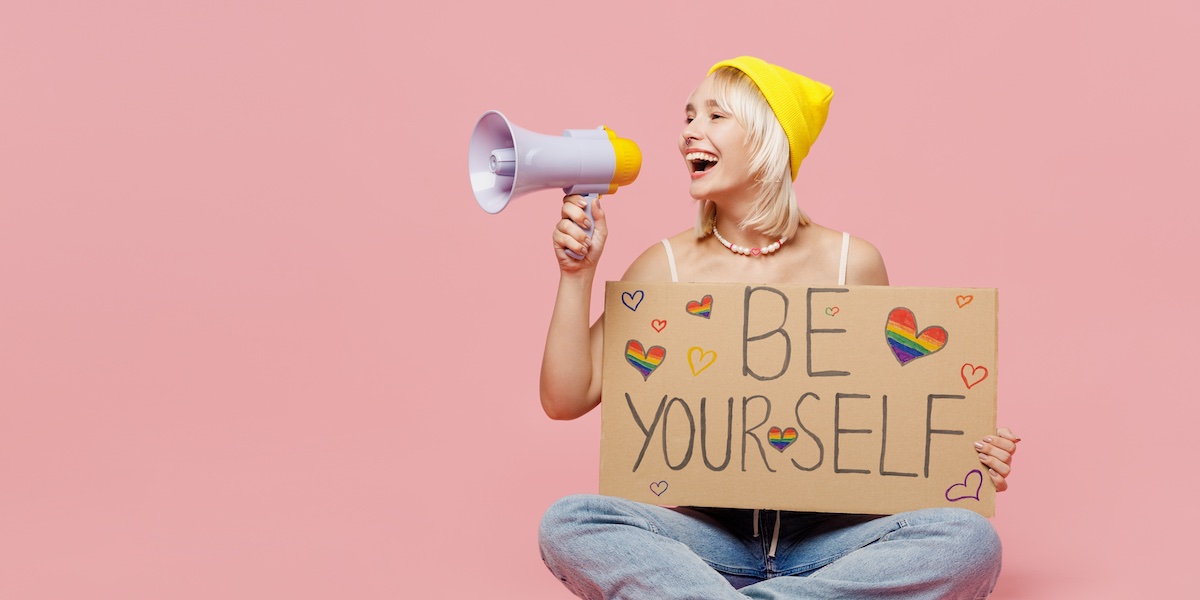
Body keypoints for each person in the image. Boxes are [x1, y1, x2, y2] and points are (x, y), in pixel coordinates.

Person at [538, 56, 1020, 600]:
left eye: (715, 115)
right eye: (689, 116)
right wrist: (576, 275)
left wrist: (966, 454)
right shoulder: (664, 267)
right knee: (570, 522)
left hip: (828, 540)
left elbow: (887, 414)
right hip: (709, 541)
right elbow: (565, 398)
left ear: (769, 138)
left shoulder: (852, 262)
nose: (688, 132)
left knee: (971, 541)